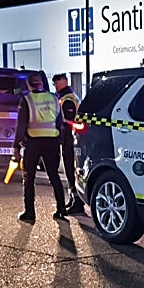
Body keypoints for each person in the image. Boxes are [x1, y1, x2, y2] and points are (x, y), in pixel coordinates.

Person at [13, 70, 68, 223]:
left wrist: (16, 146)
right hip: (52, 141)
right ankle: (61, 209)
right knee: (54, 176)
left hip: (33, 142)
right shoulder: (54, 98)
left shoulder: (27, 100)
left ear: (29, 85)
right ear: (42, 83)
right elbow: (60, 122)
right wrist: (60, 140)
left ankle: (30, 212)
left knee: (29, 178)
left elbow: (21, 125)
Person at [51, 73, 83, 211]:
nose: (55, 86)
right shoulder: (69, 96)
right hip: (70, 138)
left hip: (69, 139)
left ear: (61, 82)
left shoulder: (67, 98)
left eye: (55, 83)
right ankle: (73, 199)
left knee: (71, 170)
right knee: (70, 170)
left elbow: (69, 121)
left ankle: (77, 201)